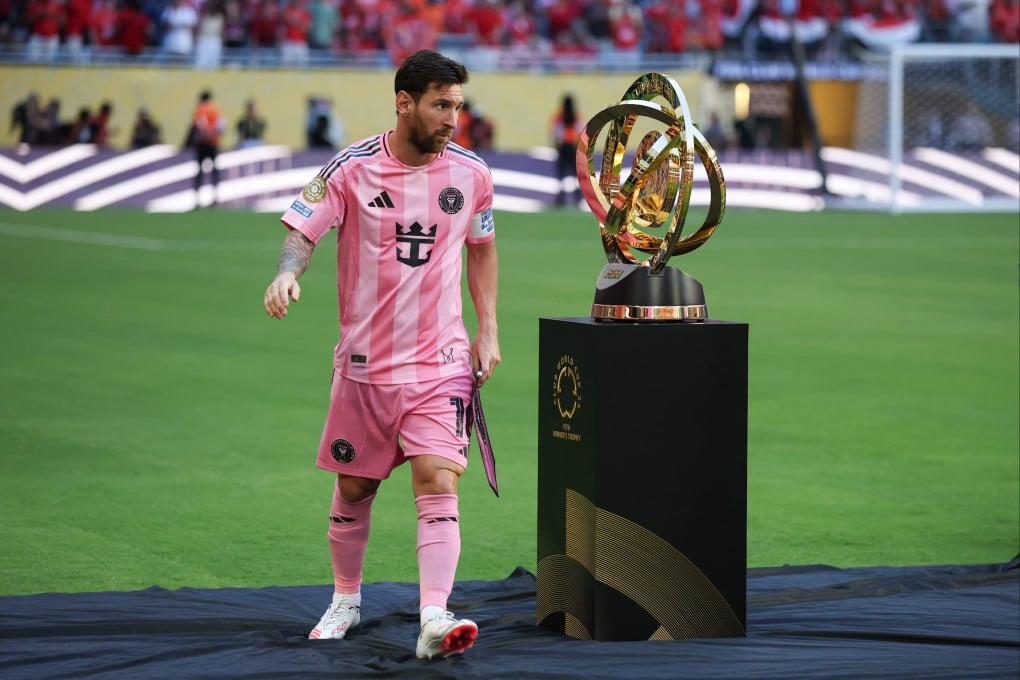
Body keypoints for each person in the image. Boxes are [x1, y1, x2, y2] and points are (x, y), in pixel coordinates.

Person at [262, 49, 500, 661]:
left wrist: (488, 329)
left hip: (439, 362)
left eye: (458, 106)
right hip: (365, 367)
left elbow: (482, 248)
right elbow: (301, 231)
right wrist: (287, 275)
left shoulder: (471, 174)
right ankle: (346, 598)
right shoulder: (350, 168)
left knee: (437, 479)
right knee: (355, 489)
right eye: (441, 105)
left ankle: (433, 615)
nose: (453, 118)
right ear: (405, 102)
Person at [190, 90, 225, 205]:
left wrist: (205, 133)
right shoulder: (216, 110)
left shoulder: (200, 109)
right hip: (213, 143)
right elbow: (222, 126)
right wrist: (214, 134)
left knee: (200, 171)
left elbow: (199, 124)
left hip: (202, 143)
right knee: (214, 171)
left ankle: (197, 200)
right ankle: (215, 197)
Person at [550, 93, 583, 206]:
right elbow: (581, 132)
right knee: (575, 174)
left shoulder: (559, 117)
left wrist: (557, 146)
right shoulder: (576, 116)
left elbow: (556, 133)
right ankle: (576, 197)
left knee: (562, 174)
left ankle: (561, 197)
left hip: (563, 147)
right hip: (573, 148)